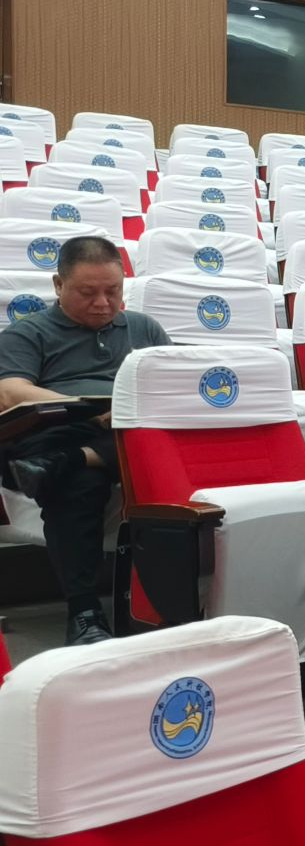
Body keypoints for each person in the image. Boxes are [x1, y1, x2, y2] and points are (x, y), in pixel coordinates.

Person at [0, 236, 170, 644]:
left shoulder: (144, 328)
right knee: (80, 480)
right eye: (87, 292)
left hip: (130, 432)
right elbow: (11, 392)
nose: (103, 303)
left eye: (113, 291)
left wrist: (124, 412)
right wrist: (87, 409)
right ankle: (85, 612)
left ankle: (73, 461)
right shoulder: (28, 333)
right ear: (58, 285)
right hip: (51, 434)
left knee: (113, 454)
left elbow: (173, 383)